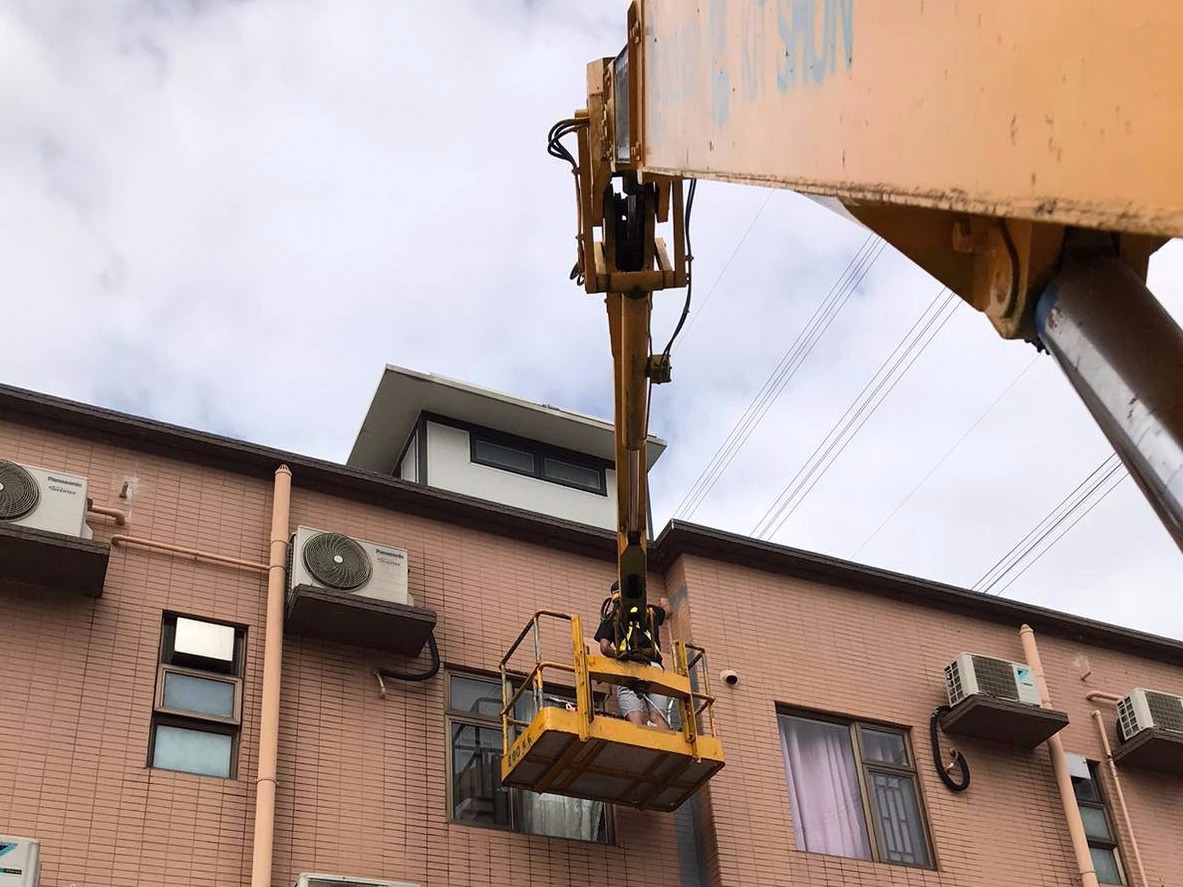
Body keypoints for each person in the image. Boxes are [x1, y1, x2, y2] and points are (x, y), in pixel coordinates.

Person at [594, 582, 673, 729]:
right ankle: (661, 741)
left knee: (635, 722)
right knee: (658, 717)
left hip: (627, 668)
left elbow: (604, 648)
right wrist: (664, 602)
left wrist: (621, 657)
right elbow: (667, 611)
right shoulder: (649, 611)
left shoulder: (613, 615)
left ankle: (639, 738)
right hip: (654, 667)